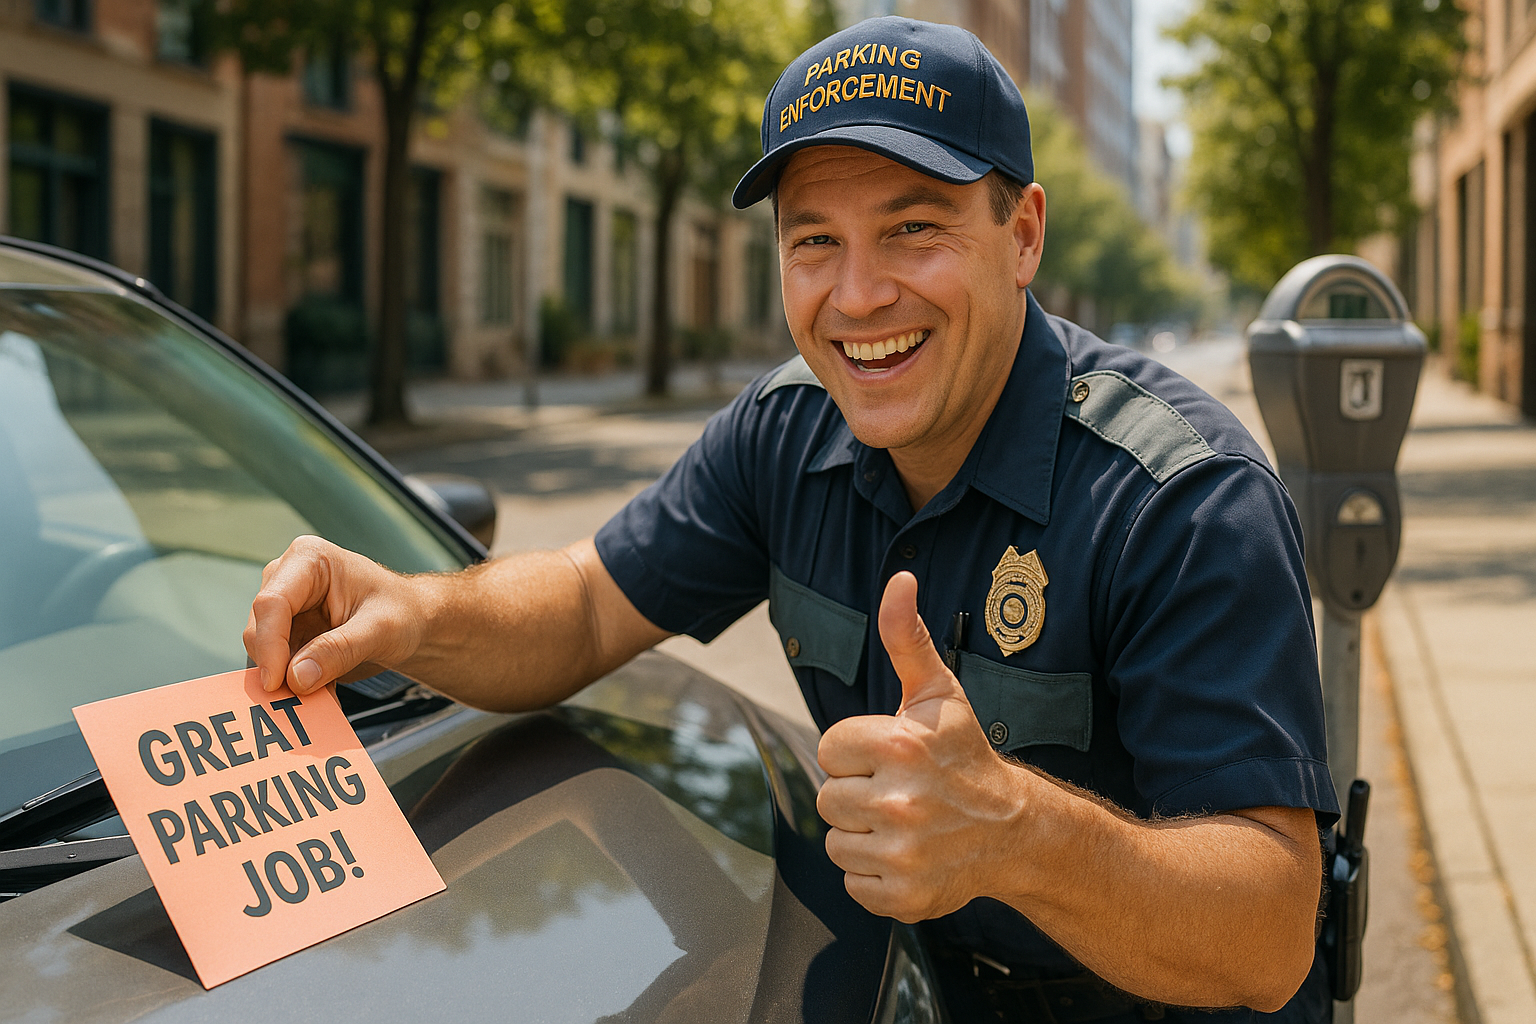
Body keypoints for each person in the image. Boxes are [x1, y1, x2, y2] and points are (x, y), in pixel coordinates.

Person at [245, 17, 1338, 1022]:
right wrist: (412, 609)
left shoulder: (1183, 499)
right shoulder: (784, 433)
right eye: (815, 241)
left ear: (1024, 233)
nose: (857, 296)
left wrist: (1016, 834)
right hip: (900, 988)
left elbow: (1272, 929)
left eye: (914, 227)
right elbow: (584, 601)